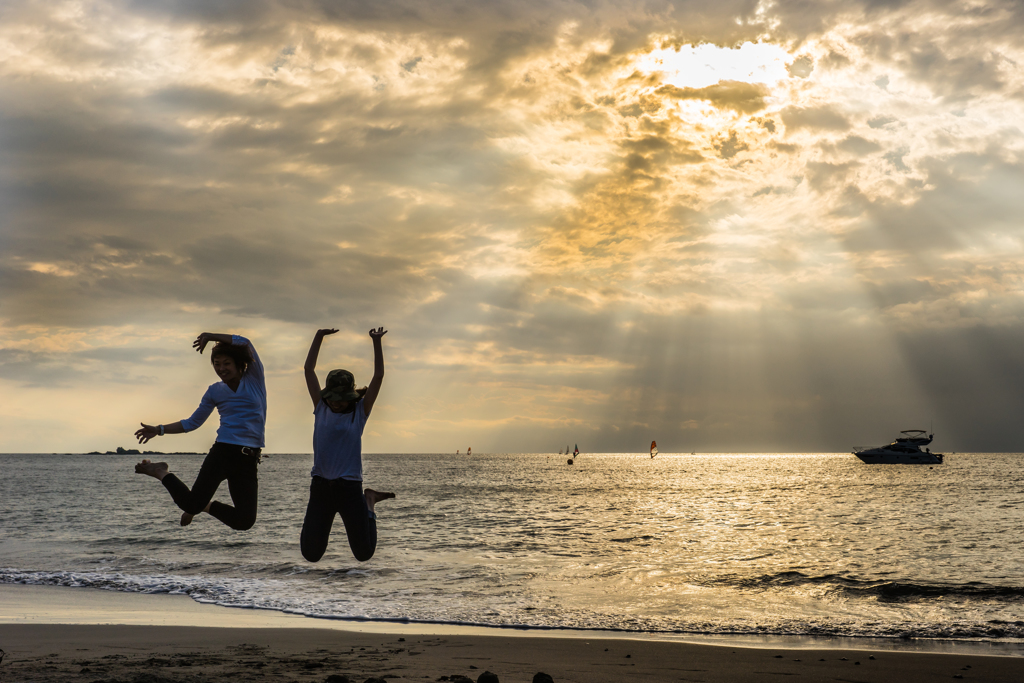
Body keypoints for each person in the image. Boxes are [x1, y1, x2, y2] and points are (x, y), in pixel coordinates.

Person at [133, 332, 267, 530]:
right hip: (223, 453)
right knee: (190, 504)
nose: (221, 368)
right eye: (216, 364)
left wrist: (210, 336)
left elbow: (245, 342)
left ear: (240, 364)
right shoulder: (215, 391)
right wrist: (159, 429)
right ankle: (160, 471)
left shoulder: (254, 379)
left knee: (244, 521)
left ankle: (205, 506)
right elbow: (192, 423)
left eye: (226, 363)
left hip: (249, 459)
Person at [300, 326, 394, 562]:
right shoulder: (320, 406)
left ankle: (369, 502)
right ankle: (365, 502)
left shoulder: (360, 412)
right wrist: (318, 336)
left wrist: (376, 342)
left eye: (341, 399)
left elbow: (378, 377)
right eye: (332, 398)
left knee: (364, 553)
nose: (336, 403)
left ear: (350, 397)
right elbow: (308, 369)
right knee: (311, 554)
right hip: (320, 487)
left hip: (349, 488)